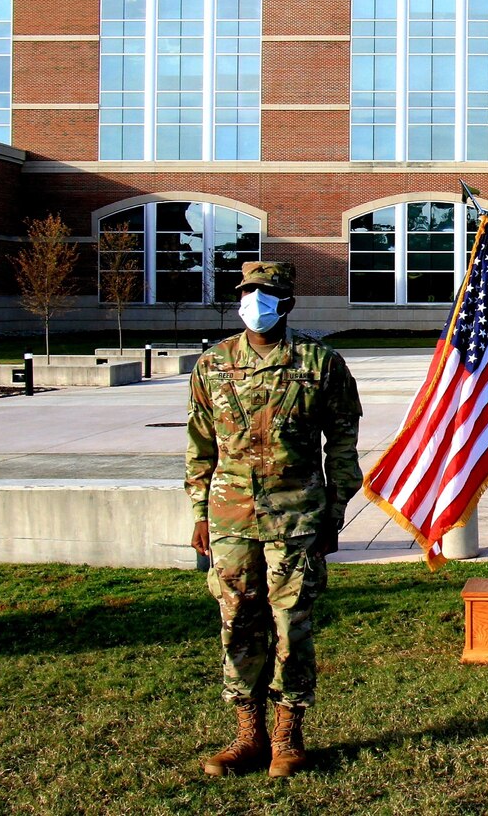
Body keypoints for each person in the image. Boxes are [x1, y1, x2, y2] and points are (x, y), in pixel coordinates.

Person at [185, 260, 363, 778]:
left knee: (291, 625)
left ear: (286, 303)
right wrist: (199, 513)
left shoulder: (320, 363)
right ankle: (248, 734)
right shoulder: (213, 365)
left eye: (266, 294)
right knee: (237, 620)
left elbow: (344, 443)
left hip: (296, 517)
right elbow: (199, 446)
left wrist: (334, 510)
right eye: (248, 293)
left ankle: (288, 735)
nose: (254, 303)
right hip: (231, 517)